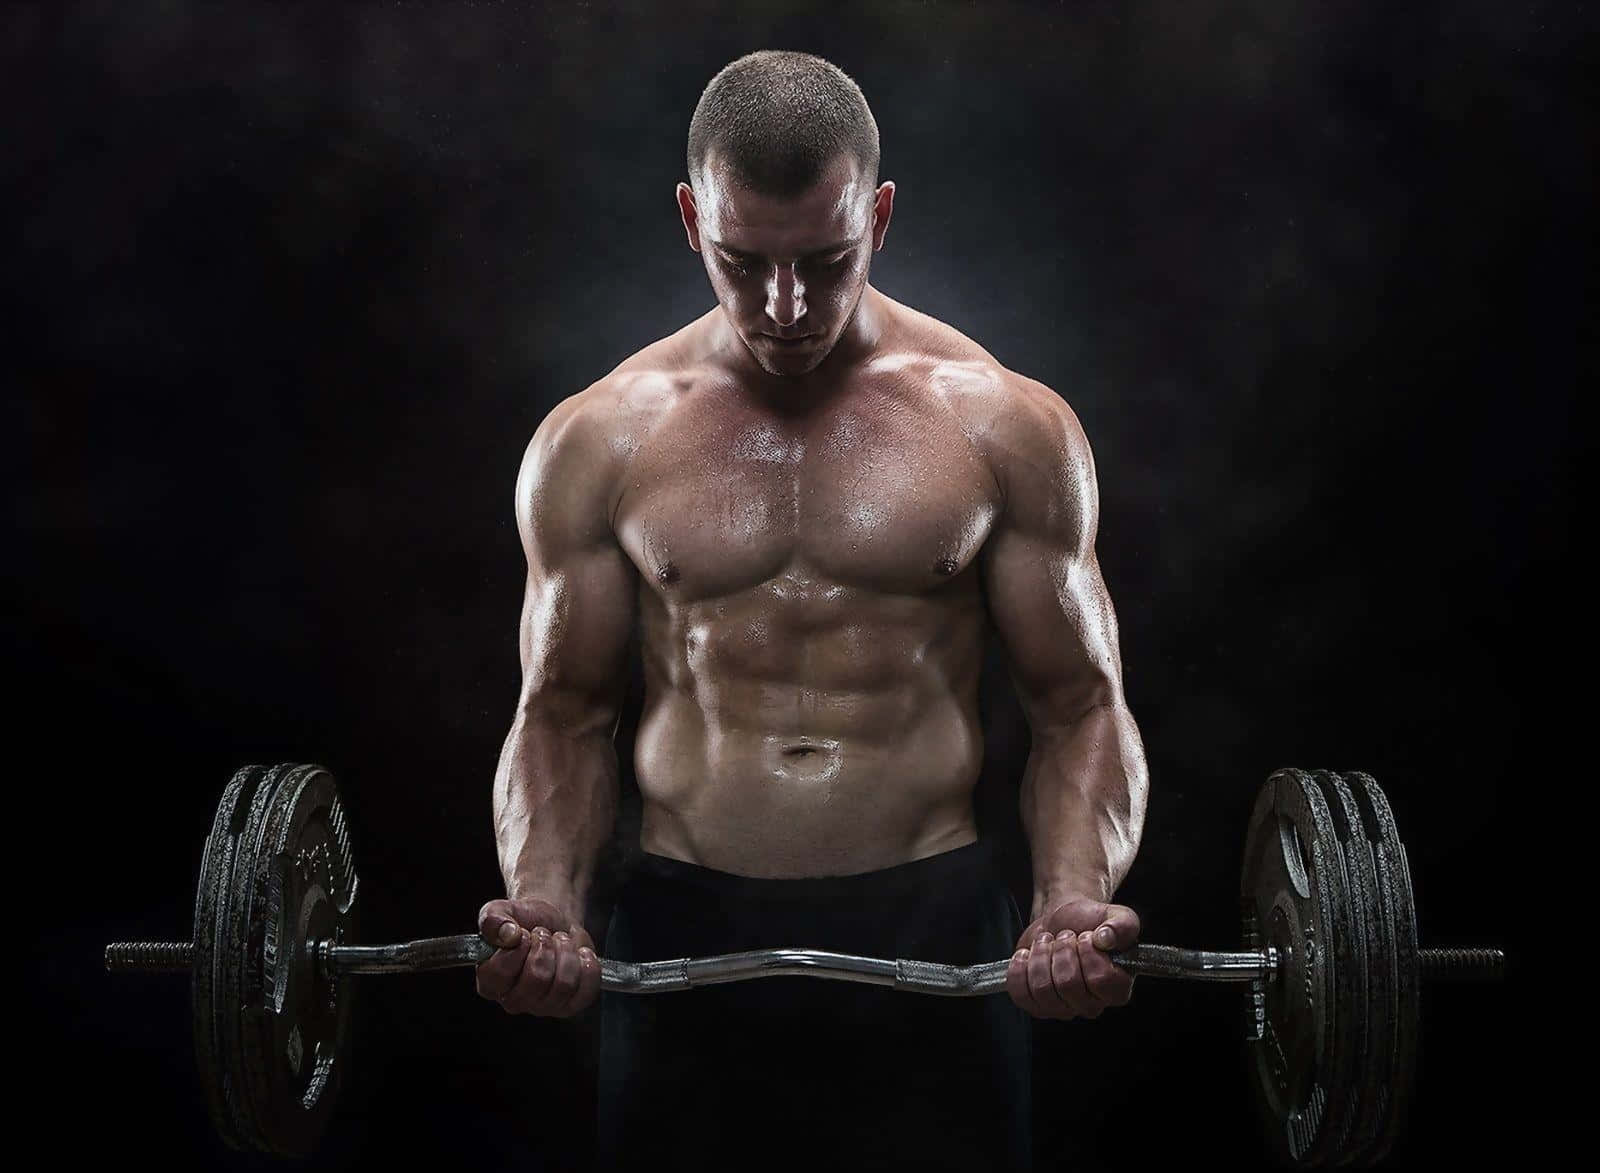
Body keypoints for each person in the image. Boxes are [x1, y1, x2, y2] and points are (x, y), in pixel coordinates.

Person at [472, 49, 1149, 1172]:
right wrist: (544, 902)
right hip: (683, 925)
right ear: (692, 219)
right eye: (743, 263)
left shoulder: (1004, 426)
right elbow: (563, 711)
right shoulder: (597, 440)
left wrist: (1071, 902)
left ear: (877, 216)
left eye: (827, 262)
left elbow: (1080, 704)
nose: (784, 307)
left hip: (934, 924)